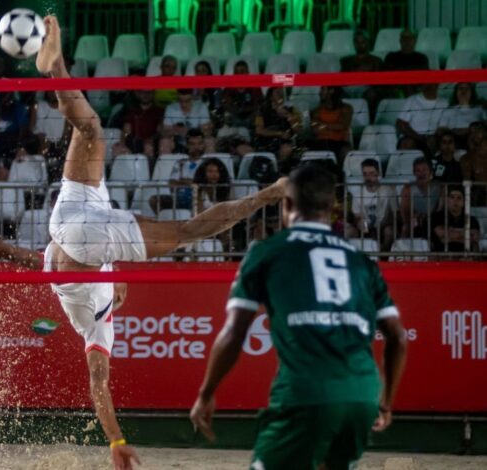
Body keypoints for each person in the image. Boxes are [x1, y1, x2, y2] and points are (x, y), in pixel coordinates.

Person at [31, 15, 287, 469]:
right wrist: (118, 276)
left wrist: (115, 442)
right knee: (89, 129)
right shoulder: (101, 303)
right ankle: (55, 66)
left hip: (78, 233)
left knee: (189, 231)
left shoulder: (97, 330)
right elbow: (99, 372)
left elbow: (98, 386)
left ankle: (271, 192)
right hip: (69, 220)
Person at [190, 163, 408, 469]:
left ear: (287, 204)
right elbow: (398, 337)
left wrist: (206, 393)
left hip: (305, 393)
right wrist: (384, 402)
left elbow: (234, 333)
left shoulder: (268, 251)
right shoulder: (361, 261)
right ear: (332, 208)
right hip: (363, 397)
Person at [350, 159, 397, 250]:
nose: (368, 177)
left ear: (378, 174)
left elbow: (394, 213)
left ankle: (382, 253)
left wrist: (381, 225)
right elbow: (357, 216)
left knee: (389, 231)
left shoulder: (388, 191)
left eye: (371, 173)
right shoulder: (357, 192)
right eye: (365, 174)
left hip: (384, 225)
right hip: (365, 227)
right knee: (355, 227)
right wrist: (366, 227)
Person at [399, 157, 443, 238]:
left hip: (434, 221)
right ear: (414, 173)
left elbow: (440, 209)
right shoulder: (408, 189)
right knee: (406, 228)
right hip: (415, 221)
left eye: (424, 170)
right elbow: (405, 214)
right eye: (418, 170)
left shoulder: (439, 187)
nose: (421, 173)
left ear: (430, 172)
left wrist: (428, 219)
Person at [431, 185, 481, 253]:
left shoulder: (472, 220)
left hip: (465, 258)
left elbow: (474, 239)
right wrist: (466, 233)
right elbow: (443, 237)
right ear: (447, 200)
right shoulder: (436, 217)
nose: (455, 201)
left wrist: (450, 233)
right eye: (452, 197)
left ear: (464, 202)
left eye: (459, 198)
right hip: (443, 257)